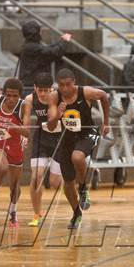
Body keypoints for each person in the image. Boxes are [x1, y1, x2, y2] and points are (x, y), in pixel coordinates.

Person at [47, 68, 109, 229]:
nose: (65, 89)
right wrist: (57, 115)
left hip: (87, 134)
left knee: (77, 157)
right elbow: (51, 125)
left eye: (68, 84)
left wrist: (106, 122)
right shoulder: (54, 97)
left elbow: (103, 95)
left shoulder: (86, 92)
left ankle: (82, 188)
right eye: (62, 85)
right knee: (67, 182)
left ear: (74, 82)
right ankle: (76, 213)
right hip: (67, 138)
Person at [0, 78, 31, 228]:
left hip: (15, 145)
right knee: (2, 167)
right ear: (4, 93)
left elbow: (27, 132)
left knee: (15, 186)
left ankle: (13, 212)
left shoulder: (24, 106)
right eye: (8, 95)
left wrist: (14, 127)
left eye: (15, 96)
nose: (11, 99)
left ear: (20, 96)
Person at [25, 73, 62, 227]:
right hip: (41, 139)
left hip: (59, 139)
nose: (43, 94)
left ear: (51, 89)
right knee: (36, 178)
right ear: (35, 88)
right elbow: (26, 119)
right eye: (40, 90)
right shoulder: (30, 99)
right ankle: (37, 214)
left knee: (55, 183)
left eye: (46, 90)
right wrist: (24, 134)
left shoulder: (59, 97)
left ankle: (75, 190)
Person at [19, 20, 71, 91]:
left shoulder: (30, 45)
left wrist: (61, 41)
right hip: (31, 87)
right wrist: (64, 42)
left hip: (33, 84)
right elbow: (52, 53)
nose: (41, 33)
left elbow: (47, 48)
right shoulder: (31, 47)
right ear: (35, 33)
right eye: (39, 31)